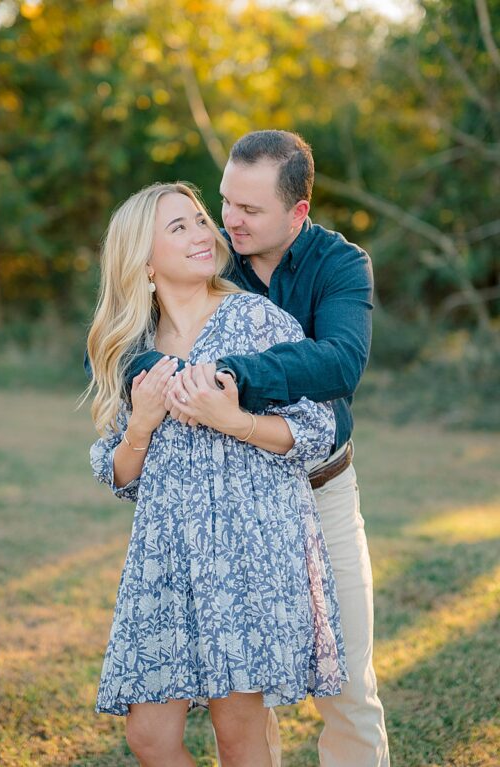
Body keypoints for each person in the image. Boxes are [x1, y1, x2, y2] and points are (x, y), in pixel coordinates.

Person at [86, 181, 347, 767]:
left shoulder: (257, 319)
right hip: (165, 555)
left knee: (239, 739)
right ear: (143, 260)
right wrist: (142, 424)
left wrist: (233, 420)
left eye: (201, 220)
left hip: (248, 548)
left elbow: (314, 431)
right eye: (178, 227)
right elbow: (117, 471)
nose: (204, 233)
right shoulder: (131, 348)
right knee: (150, 737)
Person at [156, 130, 388, 766]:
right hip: (240, 503)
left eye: (250, 210)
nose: (229, 221)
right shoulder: (214, 263)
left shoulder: (341, 265)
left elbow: (341, 362)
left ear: (299, 212)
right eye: (226, 201)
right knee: (251, 694)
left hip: (323, 491)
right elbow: (139, 332)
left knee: (347, 688)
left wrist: (234, 376)